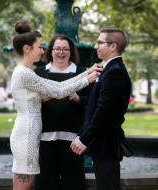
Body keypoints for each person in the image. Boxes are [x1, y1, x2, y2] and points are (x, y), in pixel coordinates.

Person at [10, 21, 100, 190]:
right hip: (27, 136)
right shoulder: (26, 74)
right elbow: (58, 90)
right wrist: (86, 79)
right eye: (39, 47)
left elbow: (58, 87)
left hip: (28, 134)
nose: (43, 51)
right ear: (27, 48)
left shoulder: (25, 72)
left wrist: (86, 73)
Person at [71, 27, 133, 190]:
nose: (95, 46)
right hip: (102, 144)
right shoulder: (108, 70)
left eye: (99, 42)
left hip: (107, 144)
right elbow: (94, 106)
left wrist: (85, 138)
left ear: (113, 46)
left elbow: (104, 112)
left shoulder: (115, 72)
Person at [34, 34, 93, 190]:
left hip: (73, 139)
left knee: (74, 184)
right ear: (51, 51)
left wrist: (78, 99)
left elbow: (92, 103)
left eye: (65, 49)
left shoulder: (81, 72)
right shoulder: (39, 72)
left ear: (71, 51)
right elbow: (28, 103)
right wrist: (42, 99)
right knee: (44, 184)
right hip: (45, 137)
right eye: (57, 48)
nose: (61, 52)